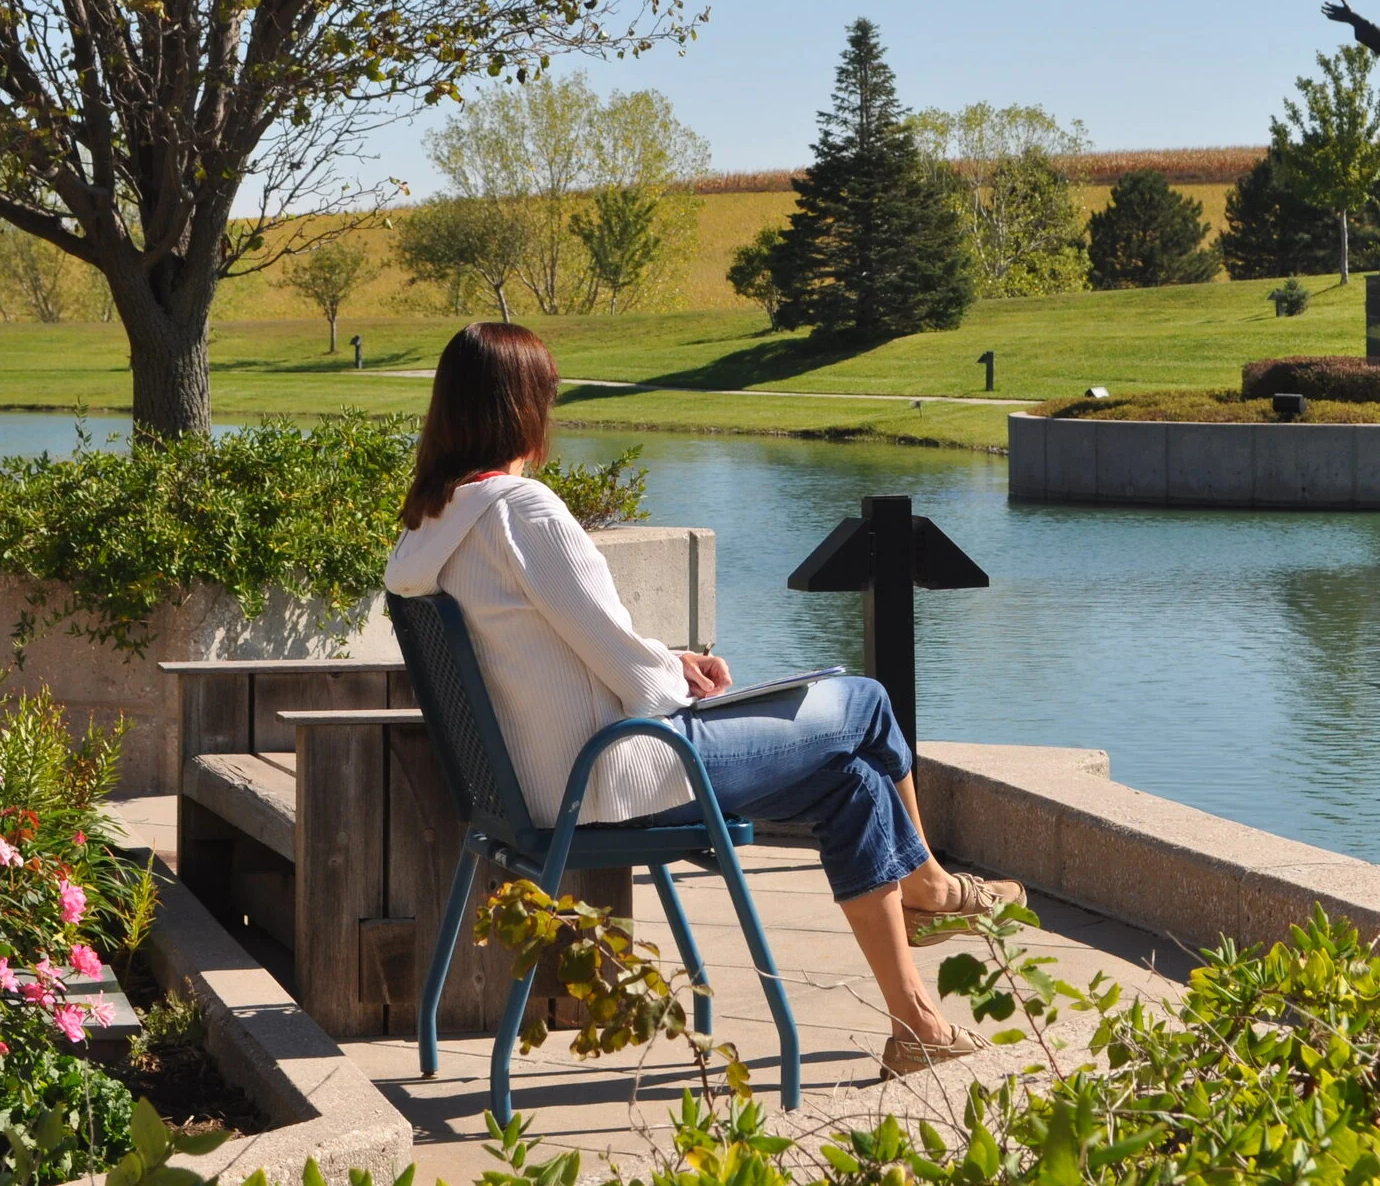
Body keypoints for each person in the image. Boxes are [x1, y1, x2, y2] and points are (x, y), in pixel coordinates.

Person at [383, 321, 1020, 1077]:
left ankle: (915, 1021)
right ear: (521, 407)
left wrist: (667, 660)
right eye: (547, 393)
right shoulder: (525, 512)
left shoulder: (430, 525)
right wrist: (671, 673)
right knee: (865, 702)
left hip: (525, 790)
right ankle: (931, 884)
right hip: (615, 775)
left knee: (850, 784)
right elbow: (643, 687)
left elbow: (566, 647)